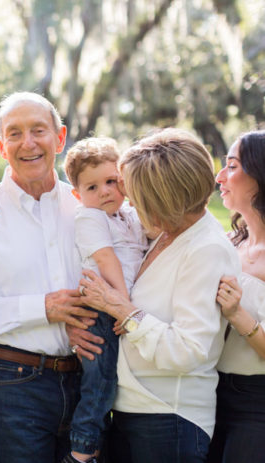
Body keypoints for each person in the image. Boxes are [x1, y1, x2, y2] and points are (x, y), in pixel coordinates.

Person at [0, 92, 97, 463]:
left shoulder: (86, 208)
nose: (27, 143)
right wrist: (42, 308)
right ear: (1, 146)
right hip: (15, 383)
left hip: (87, 382)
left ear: (59, 138)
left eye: (38, 130)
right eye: (14, 133)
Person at [75, 128, 240, 463]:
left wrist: (120, 309)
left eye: (135, 193)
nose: (129, 201)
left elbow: (189, 350)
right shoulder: (162, 233)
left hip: (169, 418)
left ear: (164, 199)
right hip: (132, 409)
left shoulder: (205, 249)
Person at [62, 137, 150, 463]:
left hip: (118, 309)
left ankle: (100, 447)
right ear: (78, 195)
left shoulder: (128, 214)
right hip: (101, 309)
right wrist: (124, 306)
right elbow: (106, 259)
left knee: (115, 383)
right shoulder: (90, 218)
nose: (105, 192)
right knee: (101, 383)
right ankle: (81, 452)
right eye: (92, 187)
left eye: (111, 182)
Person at [208, 130, 265, 463]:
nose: (220, 176)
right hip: (209, 394)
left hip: (256, 406)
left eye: (231, 166)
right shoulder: (227, 242)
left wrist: (239, 316)